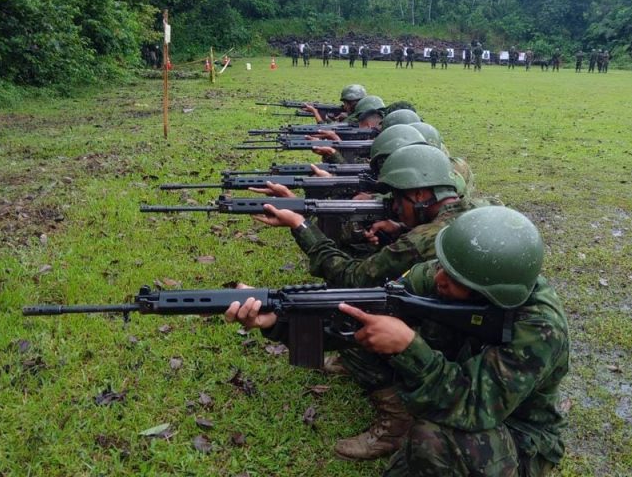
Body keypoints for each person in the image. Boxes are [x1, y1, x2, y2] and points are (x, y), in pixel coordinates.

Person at [226, 206, 570, 473]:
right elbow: (354, 312)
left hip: (519, 434)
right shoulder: (442, 276)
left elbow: (474, 407)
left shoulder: (539, 329)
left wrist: (409, 347)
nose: (438, 278)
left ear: (487, 293)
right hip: (460, 389)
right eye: (441, 266)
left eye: (453, 277)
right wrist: (278, 321)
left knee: (432, 438)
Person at [251, 145, 478, 289]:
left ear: (419, 193)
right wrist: (400, 229)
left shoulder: (420, 241)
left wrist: (300, 224)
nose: (395, 207)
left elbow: (353, 278)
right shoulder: (477, 211)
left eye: (397, 198)